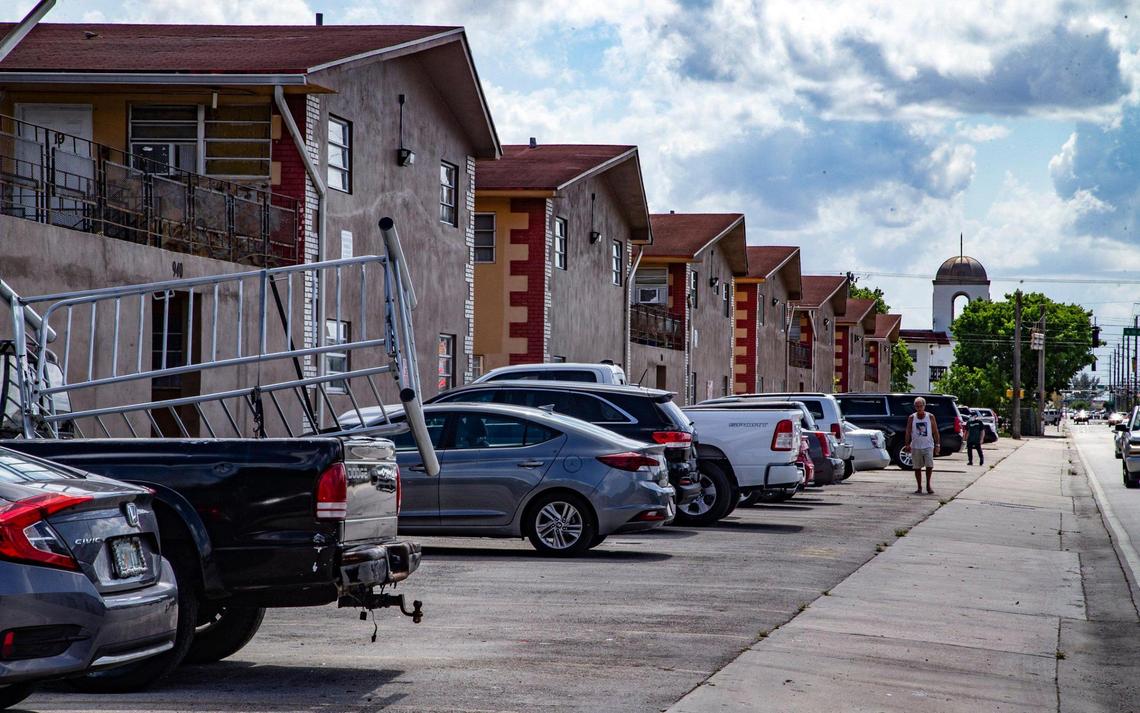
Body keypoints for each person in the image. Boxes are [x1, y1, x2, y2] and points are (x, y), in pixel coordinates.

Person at [903, 397, 940, 494]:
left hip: (928, 445)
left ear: (924, 406)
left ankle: (928, 485)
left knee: (929, 465)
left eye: (920, 406)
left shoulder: (930, 416)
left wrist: (937, 445)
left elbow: (935, 431)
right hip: (916, 446)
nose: (919, 408)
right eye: (917, 406)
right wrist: (907, 444)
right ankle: (919, 487)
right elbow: (908, 431)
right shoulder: (912, 417)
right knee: (917, 467)